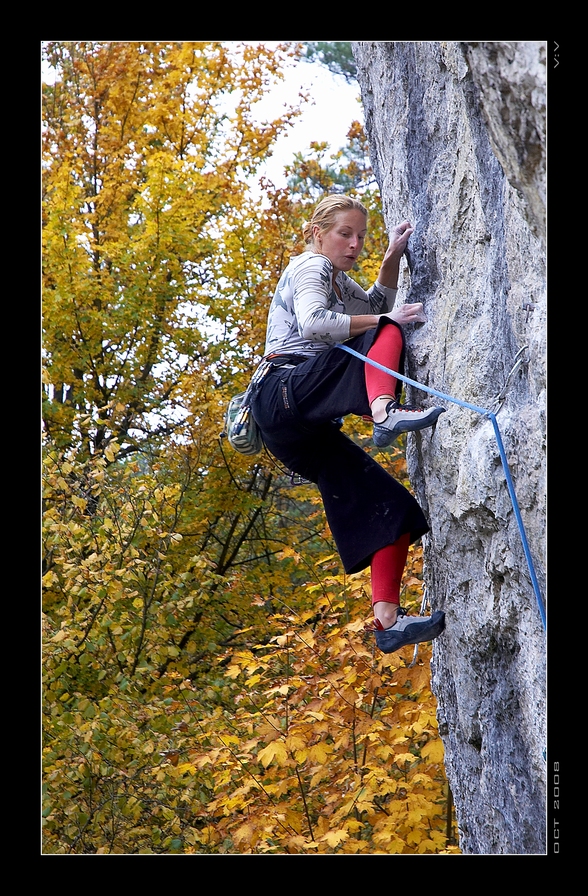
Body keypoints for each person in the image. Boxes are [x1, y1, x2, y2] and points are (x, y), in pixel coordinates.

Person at [250, 194, 446, 653]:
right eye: (345, 233)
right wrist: (382, 319)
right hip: (282, 391)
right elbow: (317, 324)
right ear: (318, 233)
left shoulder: (338, 281)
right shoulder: (311, 267)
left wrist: (391, 259)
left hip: (297, 430)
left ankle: (388, 622)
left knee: (393, 508)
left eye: (360, 236)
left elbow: (378, 302)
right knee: (385, 328)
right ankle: (384, 409)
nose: (354, 243)